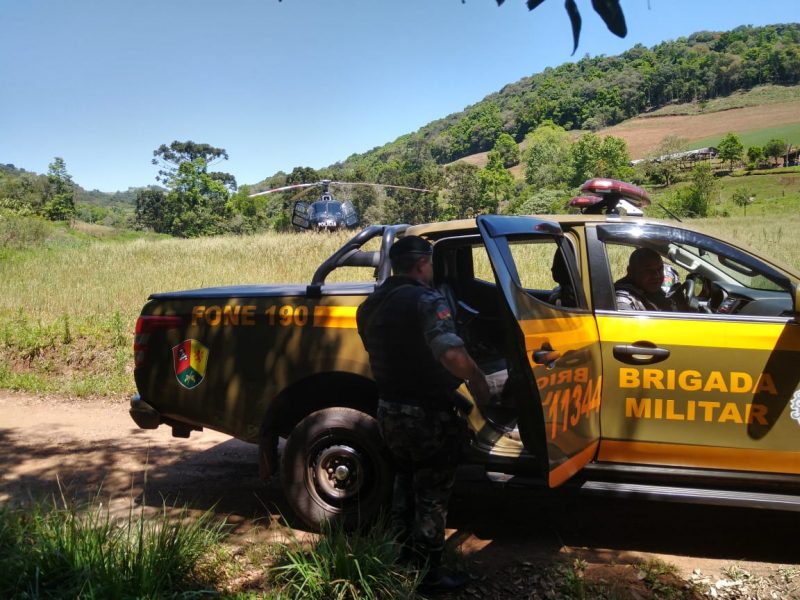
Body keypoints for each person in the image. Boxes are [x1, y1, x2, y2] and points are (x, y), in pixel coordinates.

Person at [356, 235, 490, 594]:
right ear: (421, 264)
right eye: (430, 263)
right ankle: (430, 575)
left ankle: (400, 560)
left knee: (403, 483)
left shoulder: (371, 305)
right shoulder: (427, 300)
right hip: (426, 415)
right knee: (432, 493)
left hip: (389, 410)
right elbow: (450, 353)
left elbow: (377, 349)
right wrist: (478, 380)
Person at [615, 247, 683, 311]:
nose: (657, 276)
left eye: (660, 269)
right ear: (631, 272)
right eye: (648, 270)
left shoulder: (649, 289)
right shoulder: (623, 300)